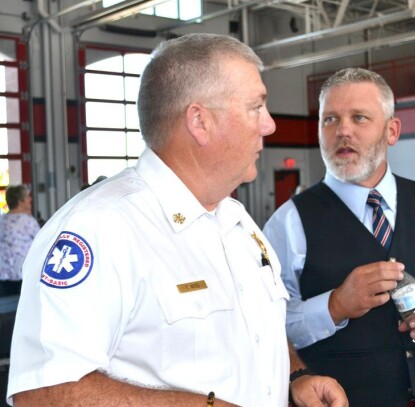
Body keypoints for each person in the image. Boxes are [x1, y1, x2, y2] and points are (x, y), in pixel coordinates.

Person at [7, 34, 348, 407]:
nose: (269, 125)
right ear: (199, 122)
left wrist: (293, 376)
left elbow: (254, 328)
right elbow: (43, 393)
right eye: (256, 107)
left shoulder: (236, 222)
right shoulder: (100, 228)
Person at [263, 67, 415, 407]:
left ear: (392, 131)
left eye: (359, 118)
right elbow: (265, 326)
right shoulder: (288, 223)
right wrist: (334, 305)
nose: (343, 131)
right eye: (330, 120)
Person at [0, 185, 40, 297]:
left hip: (3, 276)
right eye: (27, 197)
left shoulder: (2, 220)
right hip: (23, 276)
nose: (30, 199)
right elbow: (42, 245)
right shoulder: (28, 222)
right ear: (20, 201)